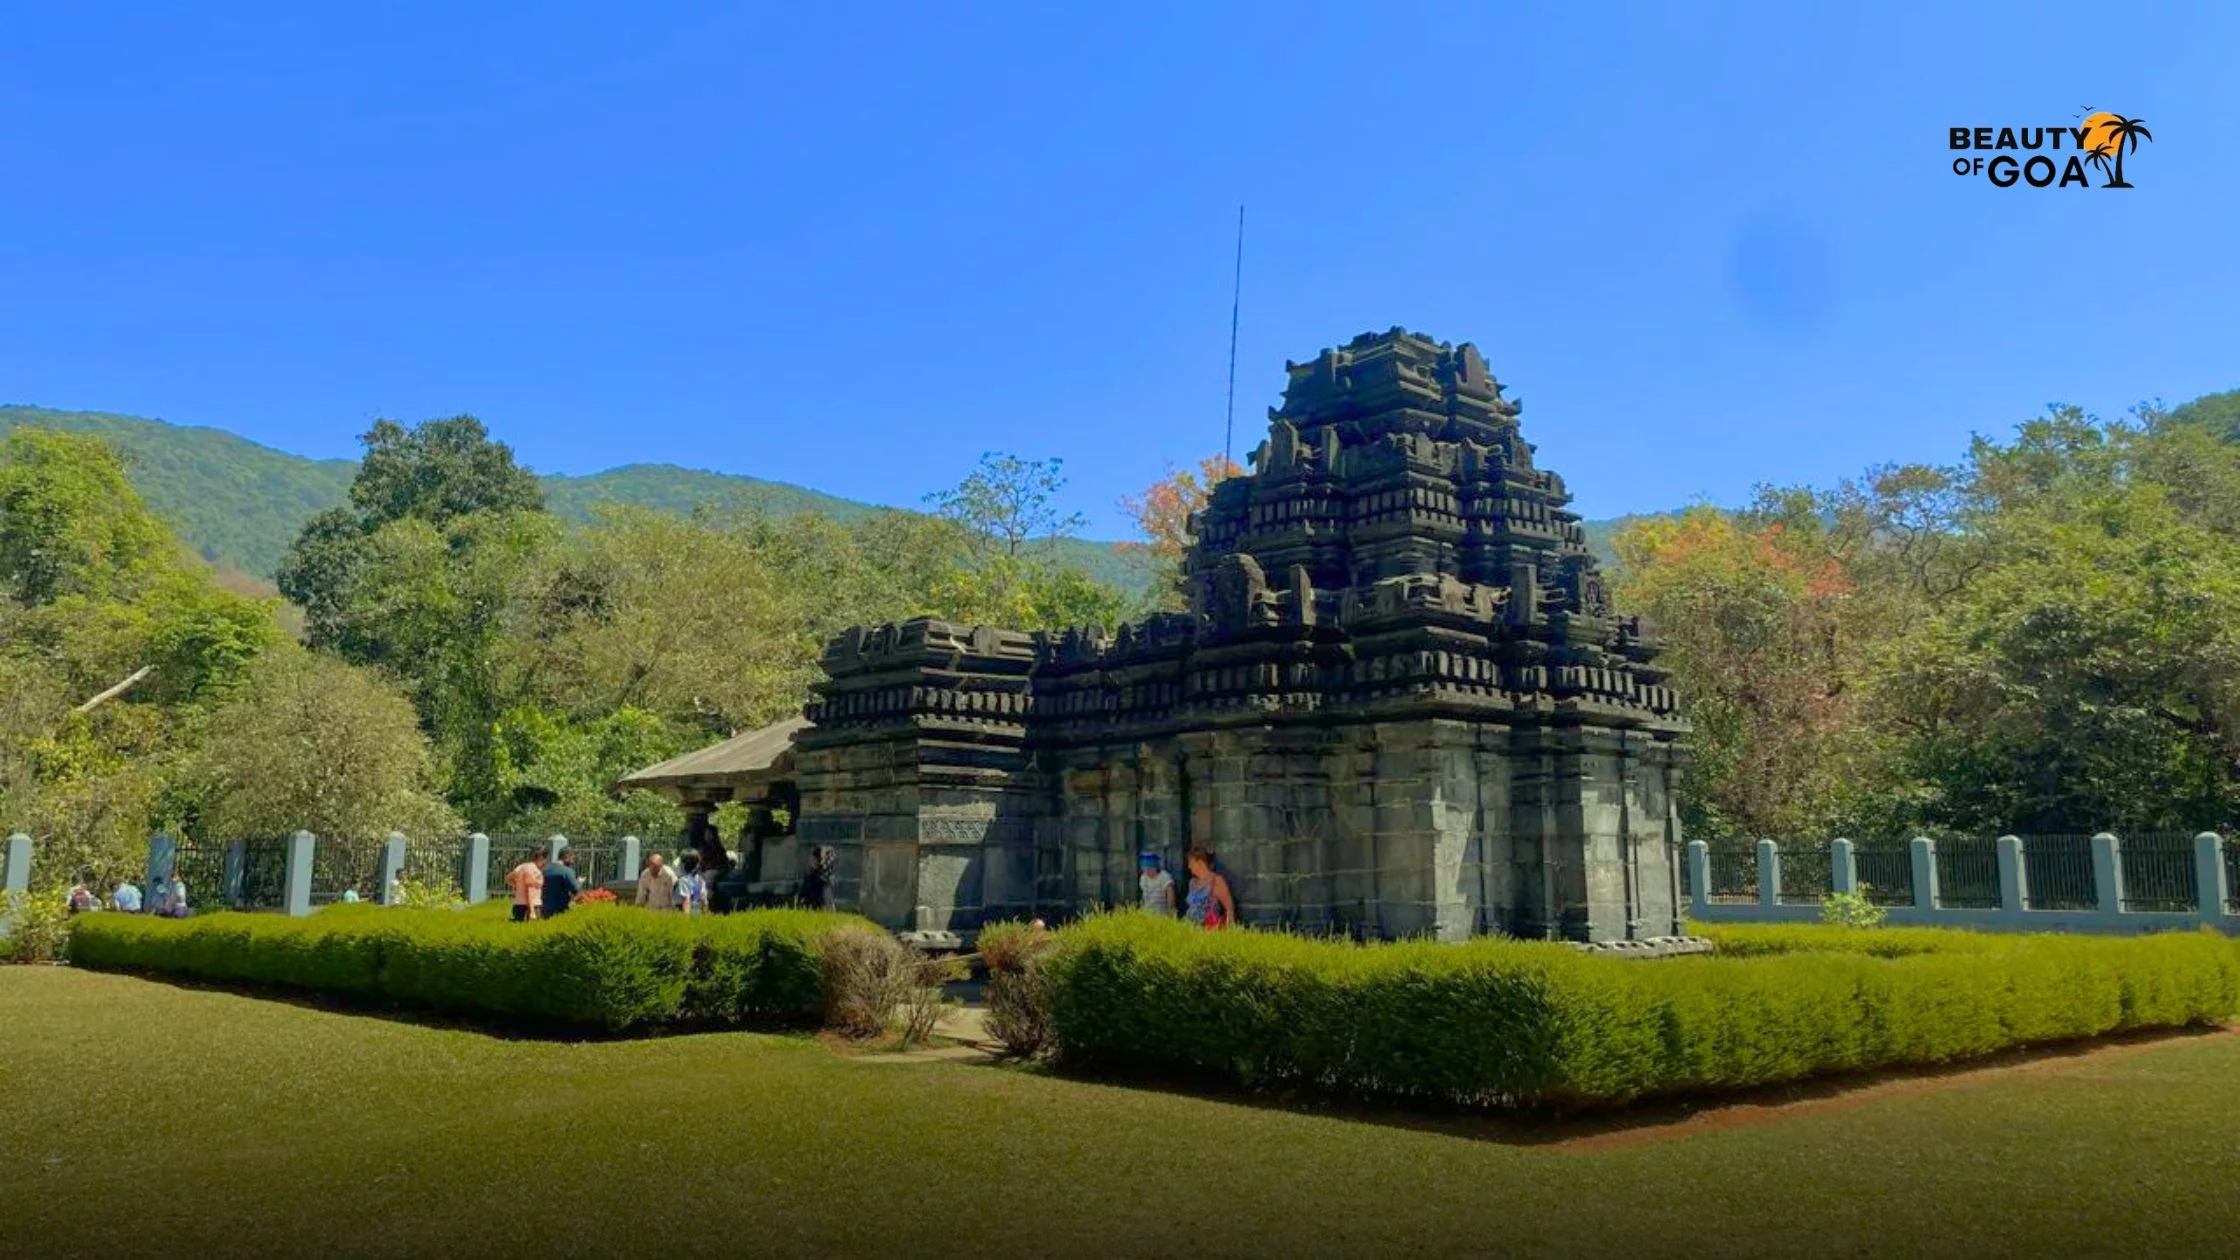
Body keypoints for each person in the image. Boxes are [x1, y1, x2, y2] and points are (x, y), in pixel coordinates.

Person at [1182, 847, 1236, 930]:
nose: (1189, 866)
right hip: (1190, 926)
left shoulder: (1216, 880)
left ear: (1199, 862)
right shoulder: (1192, 882)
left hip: (1208, 927)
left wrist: (1230, 928)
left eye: (1190, 862)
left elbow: (1229, 907)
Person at [505, 852, 545, 922]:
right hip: (535, 905)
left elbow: (508, 878)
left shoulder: (520, 867)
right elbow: (532, 889)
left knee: (518, 925)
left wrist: (516, 885)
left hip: (519, 904)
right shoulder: (537, 872)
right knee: (534, 927)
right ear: (540, 860)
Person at [542, 849, 581, 918]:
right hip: (560, 910)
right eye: (572, 858)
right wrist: (579, 882)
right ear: (567, 856)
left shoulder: (544, 869)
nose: (573, 862)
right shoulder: (567, 871)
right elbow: (575, 889)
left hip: (544, 909)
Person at [1138, 852, 1175, 917]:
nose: (1147, 872)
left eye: (1149, 869)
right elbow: (1143, 894)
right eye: (1144, 869)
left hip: (1161, 914)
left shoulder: (1164, 876)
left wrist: (1170, 911)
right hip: (1147, 913)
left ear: (1156, 867)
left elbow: (1170, 893)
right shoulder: (1143, 877)